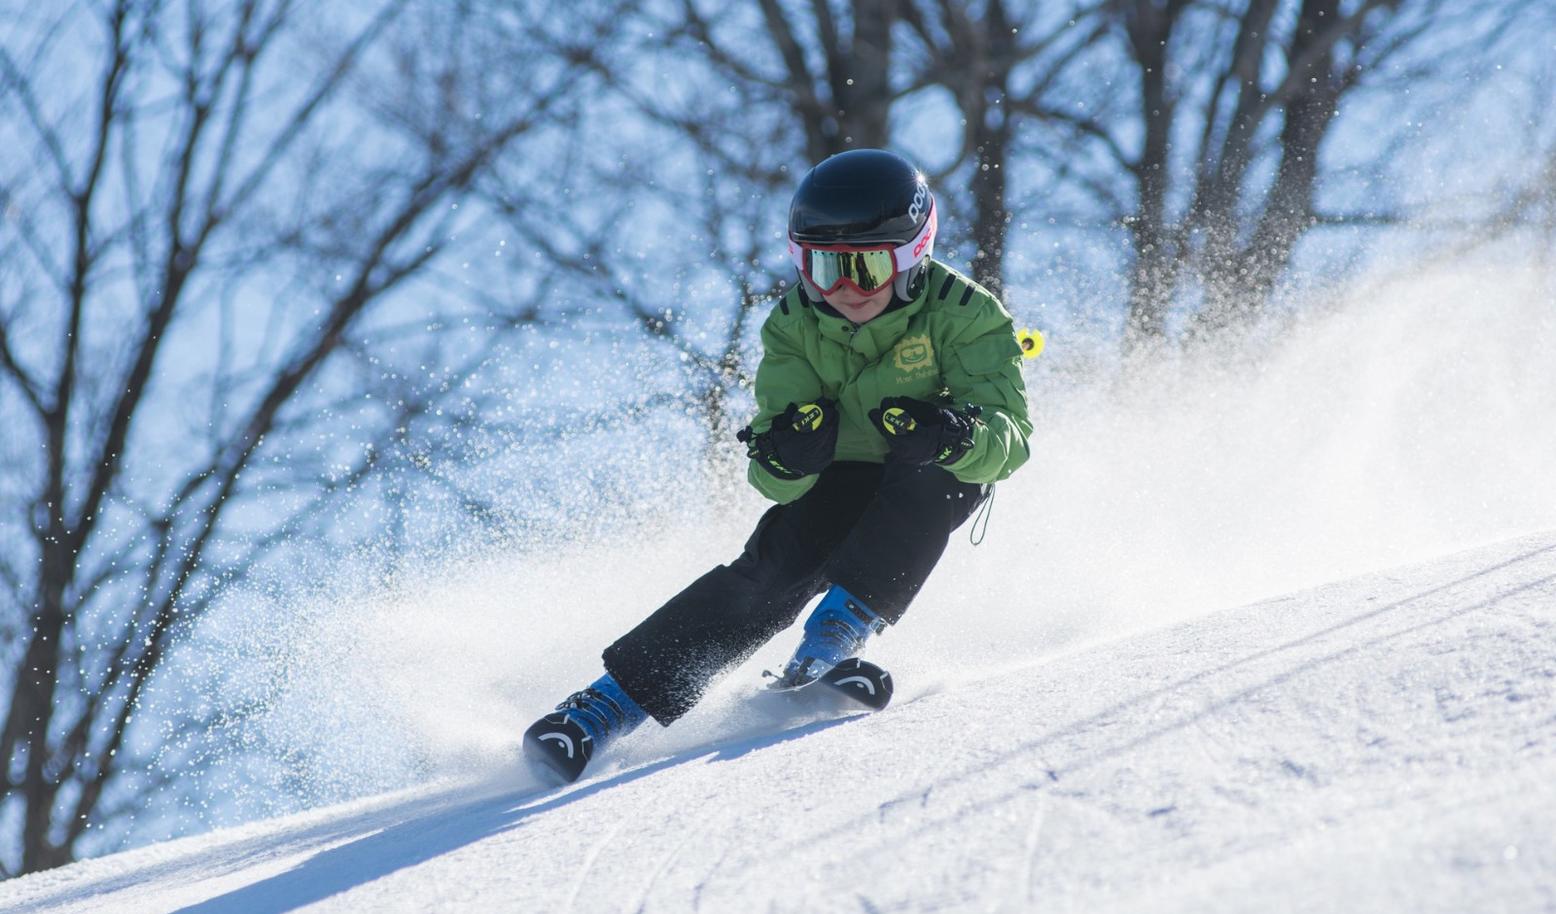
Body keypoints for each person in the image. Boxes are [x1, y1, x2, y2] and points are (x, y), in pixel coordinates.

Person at [522, 148, 1032, 783]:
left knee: (943, 483)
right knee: (774, 569)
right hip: (839, 474)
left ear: (911, 258)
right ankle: (602, 709)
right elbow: (770, 473)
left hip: (926, 468)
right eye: (822, 267)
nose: (843, 289)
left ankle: (829, 644)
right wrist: (789, 454)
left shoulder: (967, 313)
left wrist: (952, 434)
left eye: (866, 268)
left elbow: (1010, 439)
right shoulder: (793, 324)